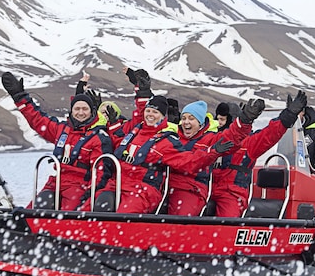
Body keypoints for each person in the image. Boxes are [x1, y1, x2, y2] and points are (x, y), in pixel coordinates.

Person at [89, 70, 232, 214]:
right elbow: (117, 144)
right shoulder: (135, 132)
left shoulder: (166, 140)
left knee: (125, 215)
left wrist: (213, 152)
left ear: (163, 117)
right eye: (148, 111)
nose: (150, 114)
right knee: (96, 206)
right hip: (120, 183)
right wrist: (113, 125)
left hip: (144, 188)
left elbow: (189, 162)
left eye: (155, 112)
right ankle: (87, 233)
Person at [1, 71, 113, 210]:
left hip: (79, 186)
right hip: (56, 182)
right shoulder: (61, 129)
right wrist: (20, 97)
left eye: (85, 109)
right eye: (77, 109)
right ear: (71, 111)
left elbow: (102, 172)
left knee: (69, 217)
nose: (80, 112)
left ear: (92, 111)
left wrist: (91, 194)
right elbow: (37, 120)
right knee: (32, 212)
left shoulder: (99, 138)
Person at [208, 92, 309, 217]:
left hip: (232, 193)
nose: (219, 123)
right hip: (207, 188)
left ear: (233, 121)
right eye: (217, 119)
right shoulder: (210, 139)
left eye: (222, 119)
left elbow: (269, 135)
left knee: (227, 221)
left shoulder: (249, 142)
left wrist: (288, 116)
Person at [164, 98, 252, 216]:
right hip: (165, 186)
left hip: (190, 189)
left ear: (200, 122)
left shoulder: (209, 139)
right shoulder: (172, 137)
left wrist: (244, 122)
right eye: (183, 118)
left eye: (191, 118)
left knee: (180, 219)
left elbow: (231, 138)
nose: (186, 122)